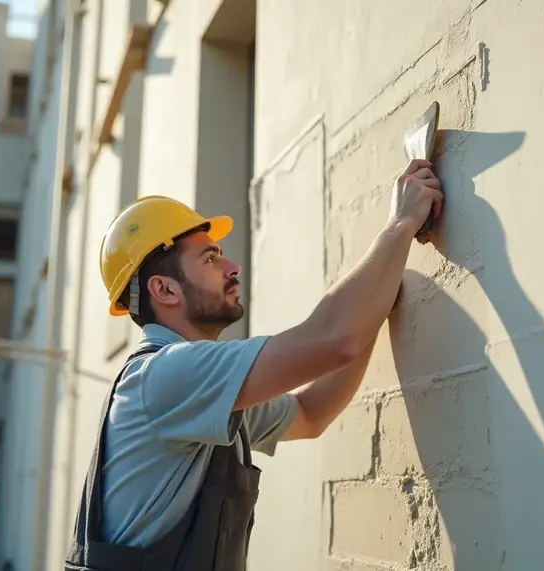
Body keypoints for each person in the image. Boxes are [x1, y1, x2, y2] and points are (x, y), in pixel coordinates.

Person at [64, 158, 442, 571]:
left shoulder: (202, 392)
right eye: (210, 259)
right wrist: (401, 223)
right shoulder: (165, 376)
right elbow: (332, 340)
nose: (232, 268)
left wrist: (375, 303)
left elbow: (311, 413)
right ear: (165, 289)